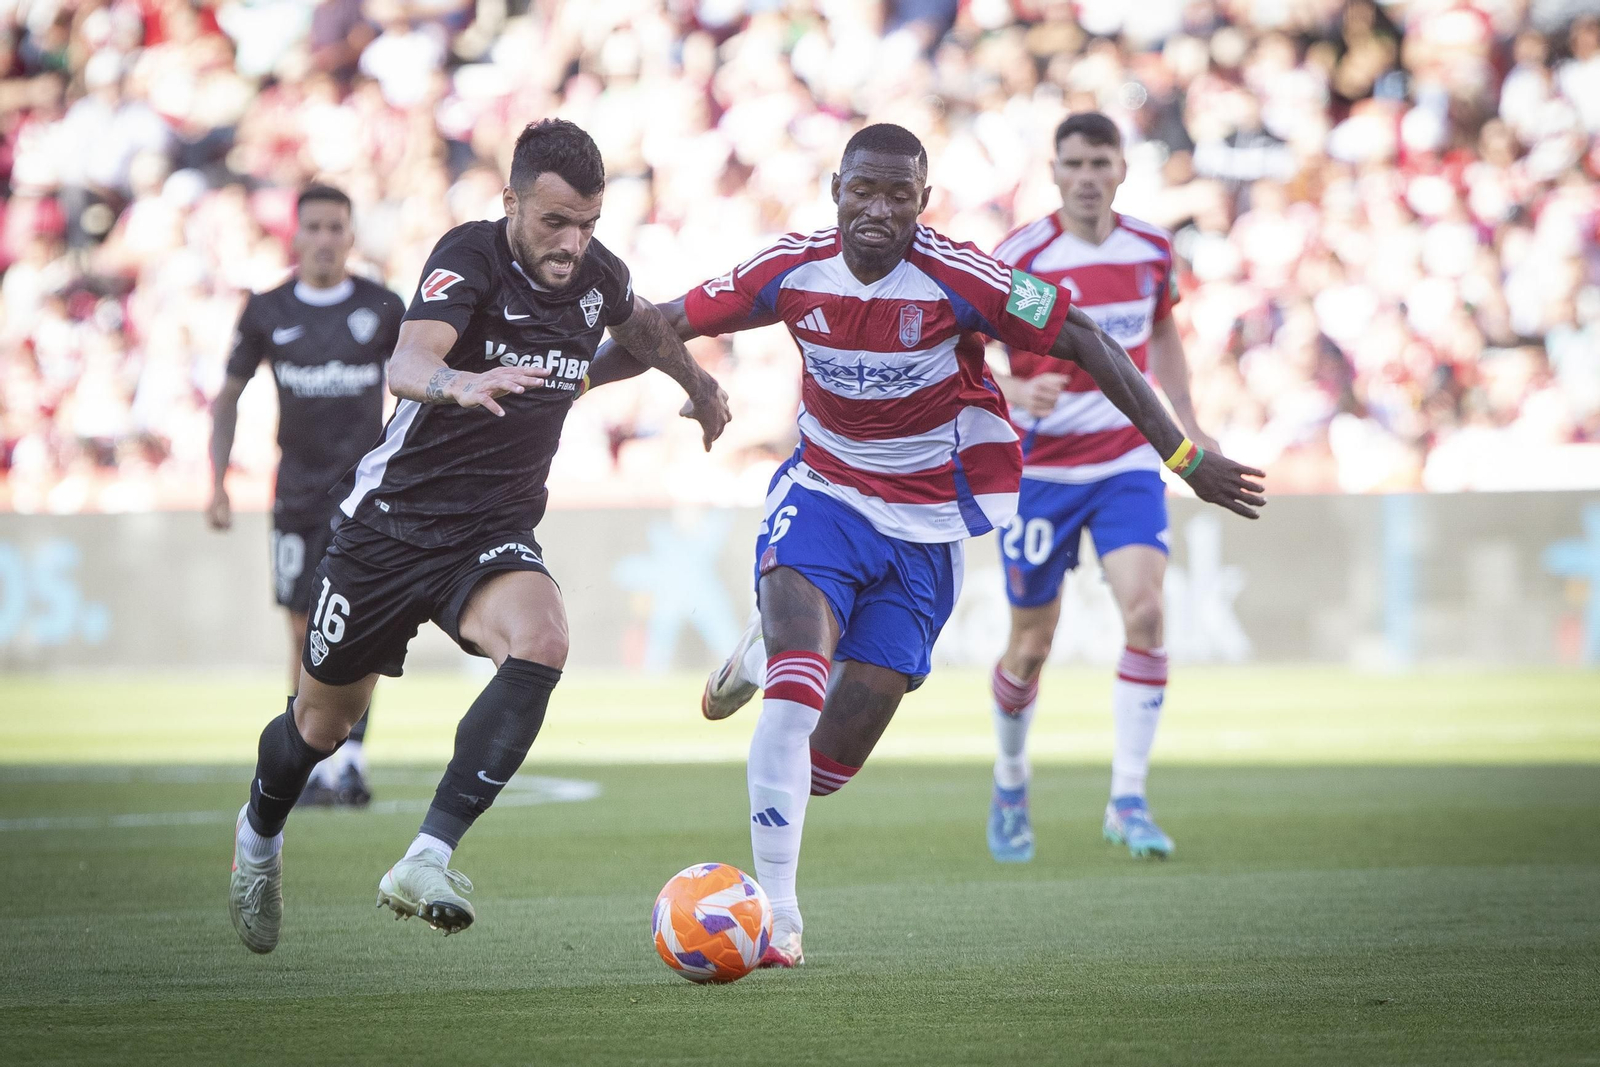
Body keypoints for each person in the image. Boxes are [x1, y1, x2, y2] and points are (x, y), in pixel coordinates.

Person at [591, 123, 1264, 967]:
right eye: (861, 190)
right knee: (796, 702)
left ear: (923, 201)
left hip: (927, 523)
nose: (876, 210)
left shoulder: (962, 277)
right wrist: (566, 381)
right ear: (835, 187)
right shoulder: (790, 269)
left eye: (897, 194)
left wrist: (1184, 455)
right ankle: (782, 916)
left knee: (827, 763)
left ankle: (767, 649)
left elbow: (1088, 338)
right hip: (823, 495)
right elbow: (660, 323)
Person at [227, 119, 730, 954]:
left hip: (489, 534)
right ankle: (257, 836)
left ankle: (427, 854)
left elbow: (640, 326)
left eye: (589, 224)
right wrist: (459, 384)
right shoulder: (470, 256)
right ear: (513, 203)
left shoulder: (596, 277)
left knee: (544, 638)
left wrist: (701, 383)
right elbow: (406, 363)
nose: (572, 244)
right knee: (320, 728)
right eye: (555, 222)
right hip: (387, 529)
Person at [982, 112, 1221, 864]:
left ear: (1122, 168)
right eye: (1074, 163)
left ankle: (1128, 798)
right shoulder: (1025, 255)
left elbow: (1165, 334)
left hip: (1125, 462)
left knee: (1147, 611)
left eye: (1100, 163)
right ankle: (1012, 778)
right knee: (1030, 645)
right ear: (1053, 171)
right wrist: (1011, 393)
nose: (1087, 176)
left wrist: (1188, 423)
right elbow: (969, 342)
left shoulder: (1151, 249)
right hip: (1042, 472)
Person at [208, 183, 404, 808]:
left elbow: (416, 390)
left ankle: (350, 760)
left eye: (334, 227)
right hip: (295, 496)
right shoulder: (267, 310)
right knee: (301, 629)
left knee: (360, 626)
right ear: (295, 235)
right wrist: (216, 481)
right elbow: (228, 395)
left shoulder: (385, 306)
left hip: (365, 498)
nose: (323, 239)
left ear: (351, 235)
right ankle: (313, 762)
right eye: (312, 227)